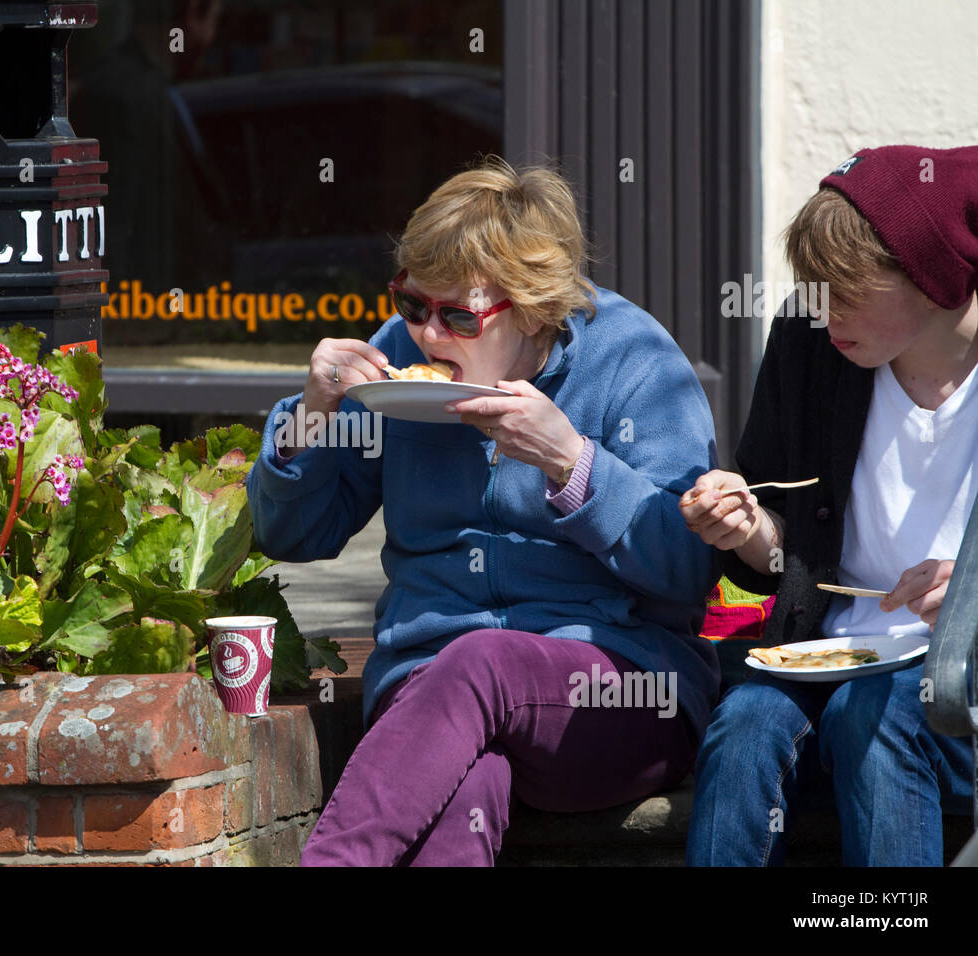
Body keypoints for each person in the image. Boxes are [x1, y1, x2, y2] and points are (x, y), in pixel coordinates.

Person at [244, 156, 721, 866]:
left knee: (483, 661)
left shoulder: (636, 362)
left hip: (617, 692)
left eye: (457, 315)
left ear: (532, 308)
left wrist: (572, 463)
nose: (427, 335)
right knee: (468, 788)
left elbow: (687, 573)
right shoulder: (396, 353)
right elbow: (291, 532)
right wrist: (312, 415)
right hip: (431, 692)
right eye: (412, 304)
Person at [680, 144, 978, 866]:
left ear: (934, 276)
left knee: (873, 720)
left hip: (955, 684)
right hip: (827, 652)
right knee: (745, 726)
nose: (821, 308)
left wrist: (969, 598)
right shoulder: (810, 345)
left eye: (842, 287)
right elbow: (775, 554)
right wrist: (748, 525)